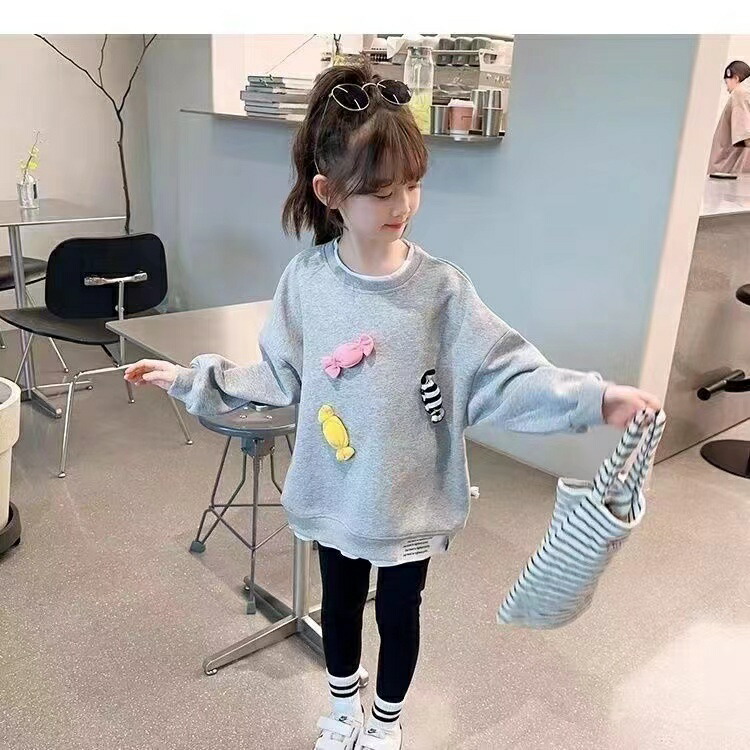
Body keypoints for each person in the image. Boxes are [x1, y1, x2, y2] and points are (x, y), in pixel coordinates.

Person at [125, 63, 661, 750]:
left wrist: (595, 398)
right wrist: (187, 379)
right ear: (329, 193)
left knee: (400, 614)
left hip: (411, 500)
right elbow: (279, 377)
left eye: (412, 183)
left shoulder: (442, 291)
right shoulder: (306, 283)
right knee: (341, 608)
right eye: (380, 191)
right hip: (335, 495)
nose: (402, 203)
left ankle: (385, 722)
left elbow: (503, 375)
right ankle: (343, 712)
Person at [708, 60, 750, 174]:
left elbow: (744, 138)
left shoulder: (739, 94)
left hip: (725, 172)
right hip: (729, 173)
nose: (727, 89)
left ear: (736, 78)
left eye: (727, 83)